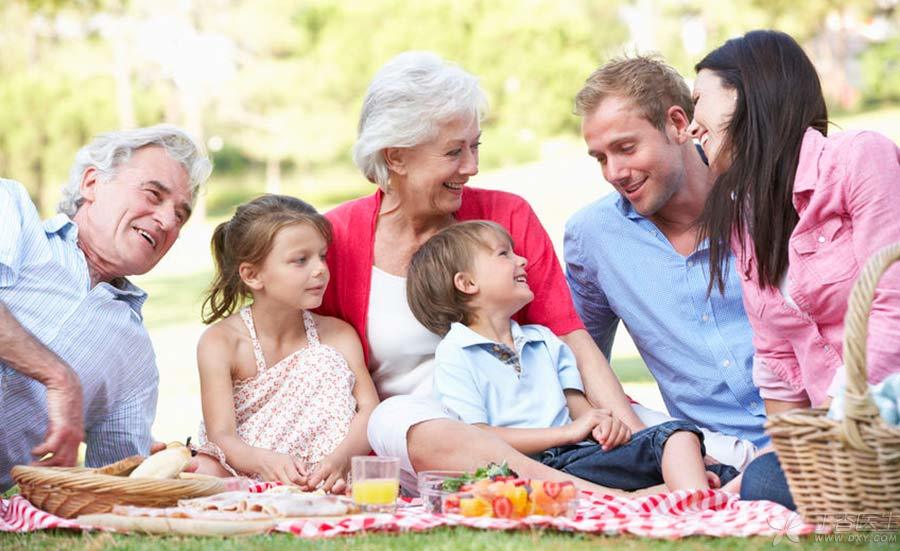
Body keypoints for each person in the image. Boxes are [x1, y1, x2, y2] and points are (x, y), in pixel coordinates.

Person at [318, 51, 645, 494]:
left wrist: (634, 435)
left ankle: (624, 483)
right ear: (395, 157)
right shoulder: (336, 238)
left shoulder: (505, 215)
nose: (471, 166)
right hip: (426, 442)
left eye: (475, 146)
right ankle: (593, 496)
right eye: (454, 152)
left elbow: (570, 339)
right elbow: (307, 362)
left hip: (536, 424)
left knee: (688, 440)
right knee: (397, 418)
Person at [688, 29, 900, 507]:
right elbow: (777, 357)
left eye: (698, 99)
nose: (691, 126)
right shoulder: (743, 218)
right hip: (839, 442)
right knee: (762, 481)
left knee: (770, 484)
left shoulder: (859, 158)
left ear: (749, 93)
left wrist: (835, 423)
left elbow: (892, 306)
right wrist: (790, 455)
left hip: (886, 414)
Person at [410, 220, 740, 491]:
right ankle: (692, 504)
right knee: (679, 450)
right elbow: (480, 436)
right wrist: (567, 433)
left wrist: (603, 426)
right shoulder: (455, 353)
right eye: (503, 254)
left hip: (587, 457)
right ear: (467, 283)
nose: (521, 261)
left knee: (679, 436)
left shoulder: (544, 341)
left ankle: (690, 500)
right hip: (533, 472)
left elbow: (580, 410)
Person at [564, 56, 765, 469]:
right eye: (600, 158)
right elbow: (580, 362)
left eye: (626, 148)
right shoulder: (593, 238)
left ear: (677, 124)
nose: (614, 172)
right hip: (710, 454)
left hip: (815, 430)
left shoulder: (762, 200)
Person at [0, 125, 212, 491]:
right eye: (153, 194)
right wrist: (58, 377)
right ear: (92, 184)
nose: (167, 221)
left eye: (181, 214)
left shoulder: (136, 358)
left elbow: (114, 476)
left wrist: (148, 467)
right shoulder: (12, 211)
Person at [192, 195, 379, 493]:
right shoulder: (221, 343)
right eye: (300, 260)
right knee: (203, 468)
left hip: (326, 475)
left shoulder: (338, 336)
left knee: (325, 361)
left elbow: (369, 409)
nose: (320, 269)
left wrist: (339, 460)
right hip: (248, 466)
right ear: (252, 275)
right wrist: (265, 462)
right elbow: (221, 437)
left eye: (322, 256)